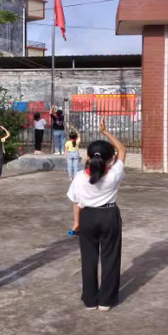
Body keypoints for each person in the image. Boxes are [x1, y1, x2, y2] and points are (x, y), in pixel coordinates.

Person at [67, 116, 127, 312]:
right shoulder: (115, 174)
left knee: (88, 258)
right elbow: (122, 150)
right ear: (111, 159)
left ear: (88, 157)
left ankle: (90, 300)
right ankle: (106, 301)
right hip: (109, 216)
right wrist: (105, 132)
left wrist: (76, 222)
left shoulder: (79, 177)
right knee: (110, 257)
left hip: (88, 217)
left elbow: (76, 201)